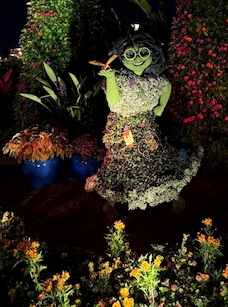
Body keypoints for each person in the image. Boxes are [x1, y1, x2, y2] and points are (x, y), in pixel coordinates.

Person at [85, 31, 203, 215]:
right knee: (120, 163)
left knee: (155, 158)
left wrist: (161, 107)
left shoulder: (154, 79)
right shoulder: (118, 78)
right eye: (130, 54)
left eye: (143, 53)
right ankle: (112, 200)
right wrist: (110, 79)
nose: (137, 59)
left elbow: (167, 87)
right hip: (123, 129)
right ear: (121, 57)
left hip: (147, 127)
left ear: (152, 53)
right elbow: (114, 103)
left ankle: (171, 193)